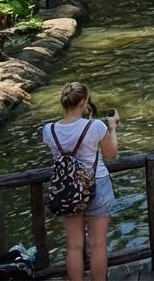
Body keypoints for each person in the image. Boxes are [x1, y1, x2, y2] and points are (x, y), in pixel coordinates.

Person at [43, 82, 119, 281]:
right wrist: (112, 128)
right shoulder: (96, 126)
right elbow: (111, 154)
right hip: (97, 183)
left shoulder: (49, 130)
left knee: (73, 247)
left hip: (66, 188)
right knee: (98, 244)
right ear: (84, 101)